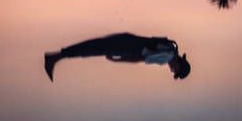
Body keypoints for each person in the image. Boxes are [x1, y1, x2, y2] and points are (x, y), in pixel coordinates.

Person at [44, 32, 191, 82]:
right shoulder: (166, 57)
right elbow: (139, 58)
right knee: (91, 49)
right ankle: (55, 57)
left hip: (128, 40)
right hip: (127, 48)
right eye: (175, 71)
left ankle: (56, 56)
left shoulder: (171, 48)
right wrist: (118, 60)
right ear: (179, 65)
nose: (172, 71)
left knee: (92, 46)